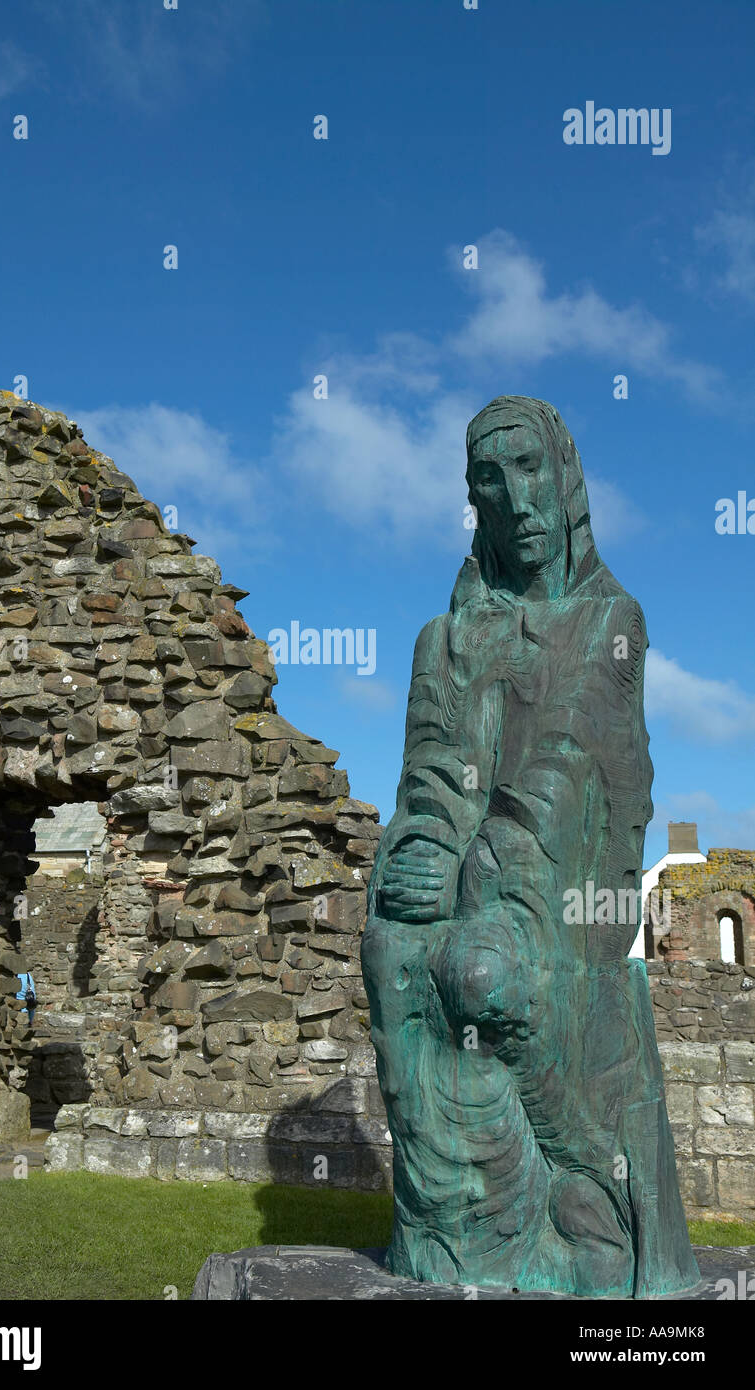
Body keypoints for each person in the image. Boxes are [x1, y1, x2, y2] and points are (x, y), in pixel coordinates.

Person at [361, 396, 698, 1298]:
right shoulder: (444, 638)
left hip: (559, 895)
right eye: (488, 479)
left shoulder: (610, 620)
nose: (514, 498)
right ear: (473, 499)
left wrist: (486, 867)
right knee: (394, 945)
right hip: (477, 878)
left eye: (528, 470)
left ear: (564, 478)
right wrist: (420, 849)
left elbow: (570, 761)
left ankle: (583, 1215)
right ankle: (471, 1235)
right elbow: (428, 767)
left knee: (479, 971)